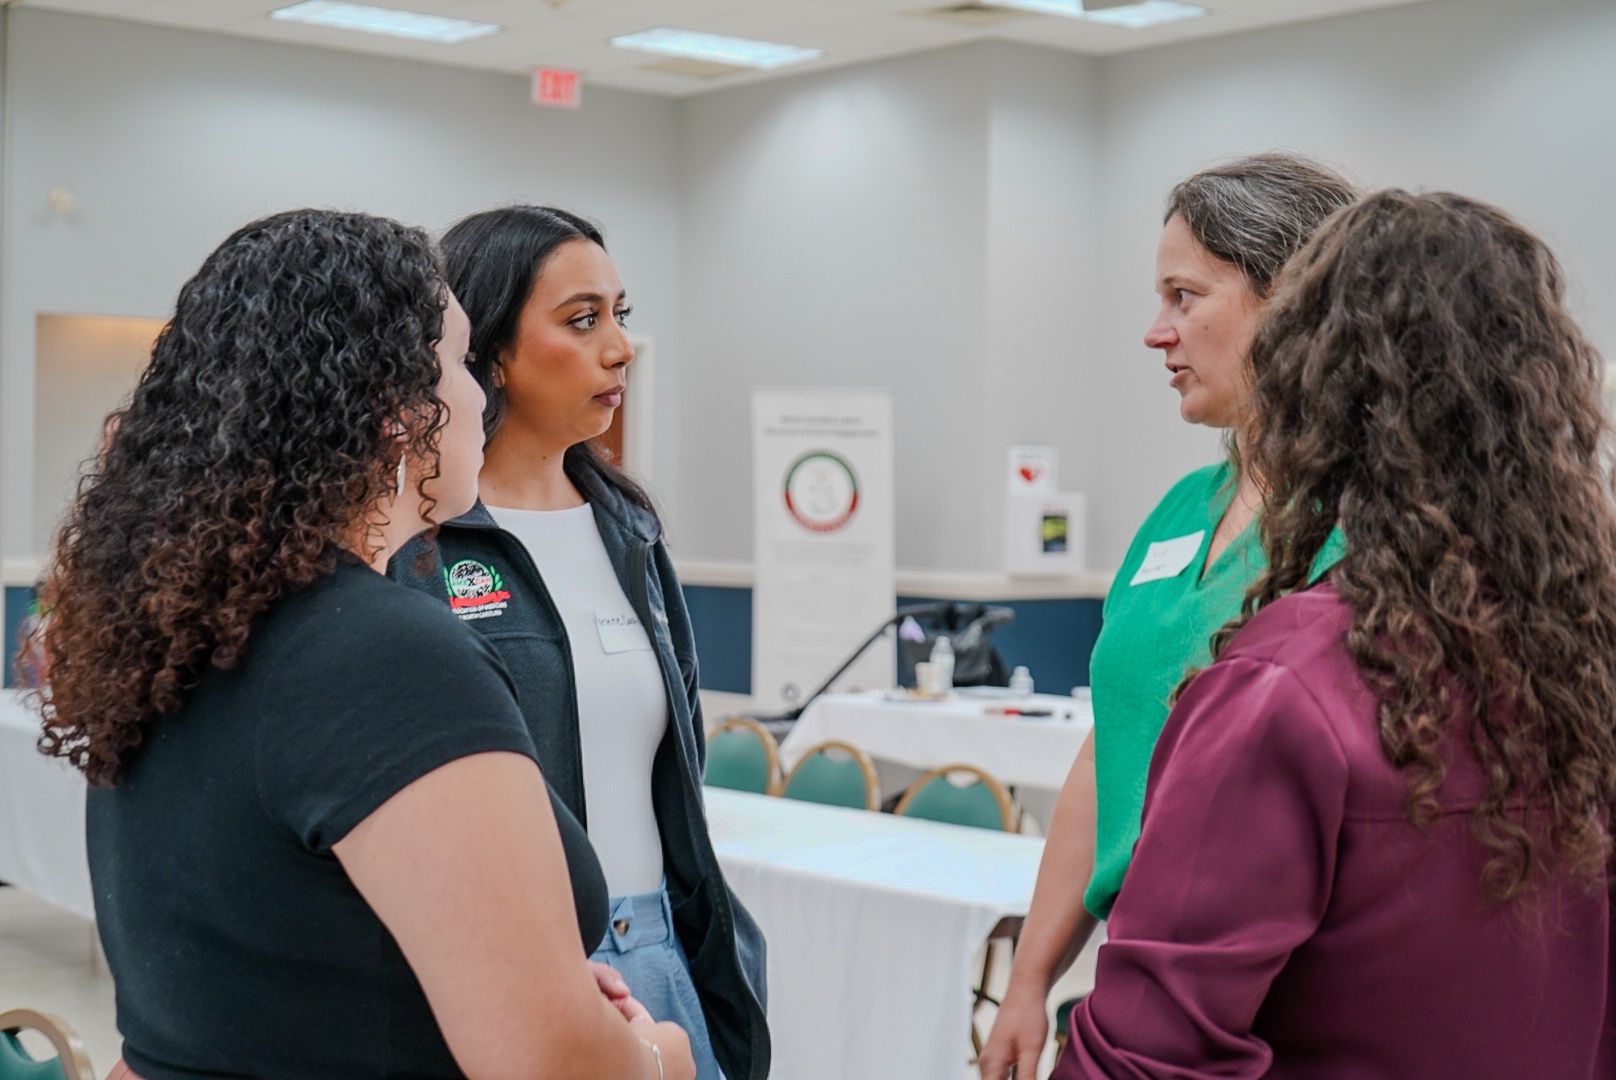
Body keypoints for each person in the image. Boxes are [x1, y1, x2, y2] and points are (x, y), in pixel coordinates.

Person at [31, 208, 694, 1080]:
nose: (475, 397)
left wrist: (547, 994)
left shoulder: (180, 641)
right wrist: (656, 1052)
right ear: (393, 412)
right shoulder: (388, 658)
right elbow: (550, 1064)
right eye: (459, 364)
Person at [1055, 189, 1615, 1077]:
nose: (1159, 332)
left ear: (1311, 368)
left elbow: (1147, 1053)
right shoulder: (1577, 659)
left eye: (1185, 297)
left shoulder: (1285, 686)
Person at [981, 153, 1356, 1080]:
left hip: (1283, 1002)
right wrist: (1030, 980)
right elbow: (1111, 750)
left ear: (1290, 302)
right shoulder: (1182, 510)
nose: (1158, 333)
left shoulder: (1371, 531)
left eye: (1186, 297)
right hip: (1137, 980)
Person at [391, 205, 768, 1080]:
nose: (620, 347)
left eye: (620, 315)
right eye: (581, 319)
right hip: (518, 966)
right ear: (490, 353)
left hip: (664, 947)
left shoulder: (628, 528)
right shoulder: (426, 541)